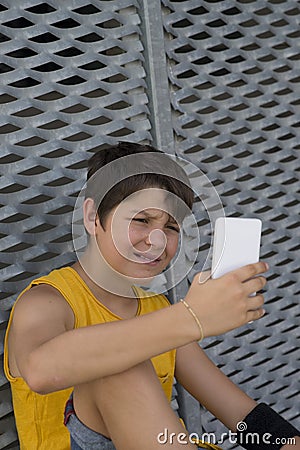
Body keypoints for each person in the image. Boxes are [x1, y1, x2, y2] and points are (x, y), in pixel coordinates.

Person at [4, 142, 299, 450]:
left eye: (171, 227)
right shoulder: (46, 302)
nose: (157, 240)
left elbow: (243, 416)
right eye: (142, 220)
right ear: (92, 216)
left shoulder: (157, 309)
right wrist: (193, 316)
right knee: (118, 364)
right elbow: (39, 371)